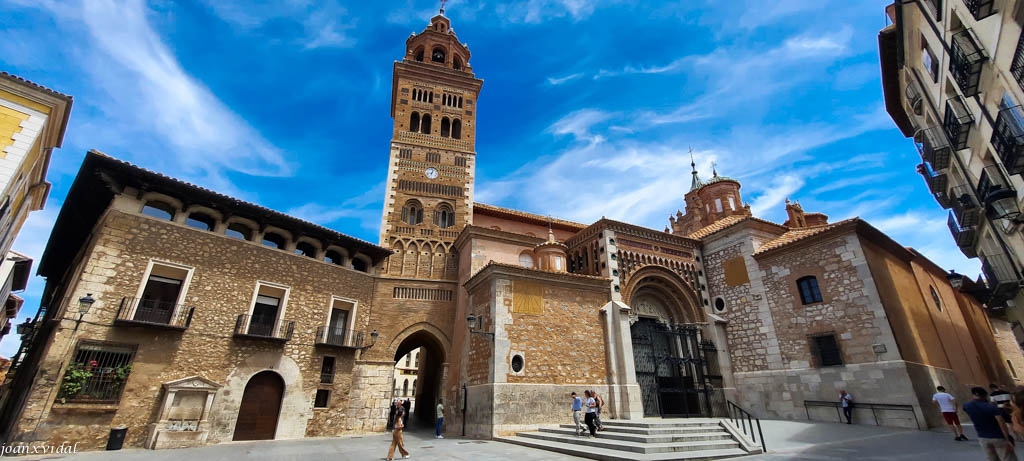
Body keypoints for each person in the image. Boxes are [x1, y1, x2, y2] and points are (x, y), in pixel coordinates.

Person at [963, 386, 1017, 461]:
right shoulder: (991, 407)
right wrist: (1007, 438)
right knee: (1008, 458)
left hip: (982, 437)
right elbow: (1001, 422)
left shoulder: (966, 406)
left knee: (992, 458)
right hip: (998, 436)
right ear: (985, 395)